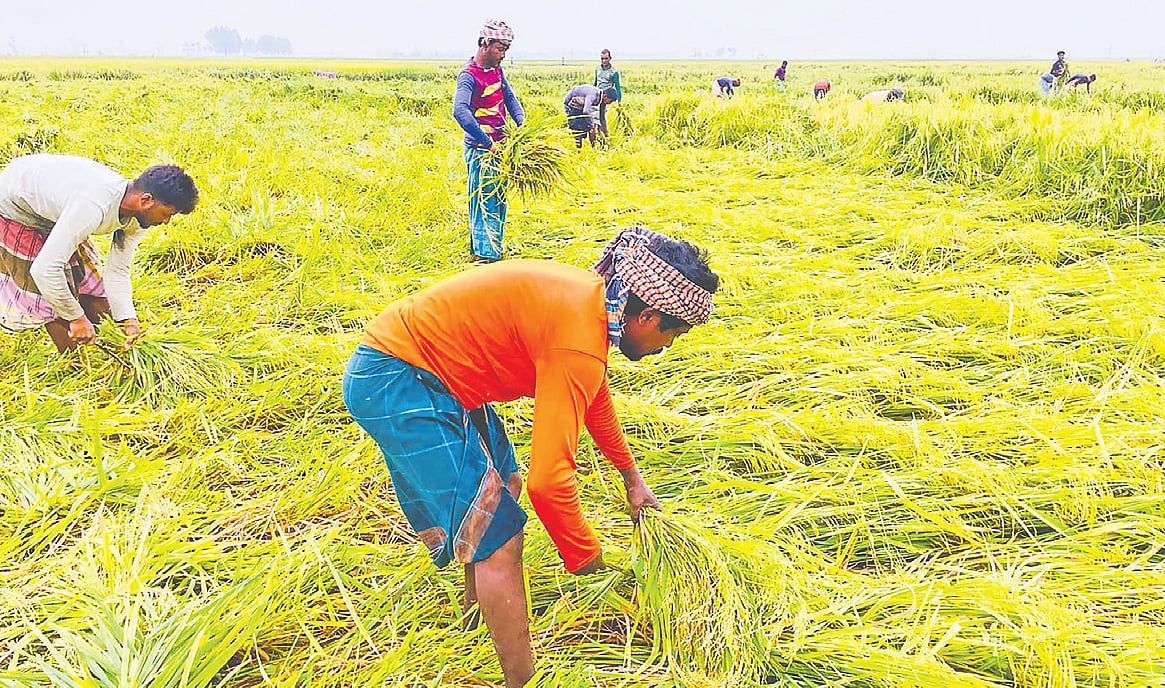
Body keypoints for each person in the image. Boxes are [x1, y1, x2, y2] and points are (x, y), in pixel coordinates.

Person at [342, 226, 719, 688]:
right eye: (674, 332)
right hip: (398, 377)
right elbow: (551, 484)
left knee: (503, 488)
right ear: (646, 315)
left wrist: (631, 476)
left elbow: (592, 393)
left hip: (435, 373)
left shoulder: (593, 305)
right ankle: (520, 681)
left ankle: (474, 612)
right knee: (499, 537)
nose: (669, 346)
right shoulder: (579, 334)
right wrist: (591, 565)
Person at [0, 153, 198, 352]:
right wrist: (75, 318)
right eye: (167, 214)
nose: (166, 222)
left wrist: (128, 320)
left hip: (58, 201)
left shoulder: (139, 216)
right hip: (16, 205)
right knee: (50, 294)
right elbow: (44, 270)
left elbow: (118, 270)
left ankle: (109, 348)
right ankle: (76, 364)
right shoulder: (93, 205)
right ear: (146, 200)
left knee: (89, 281)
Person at [453, 19, 525, 263]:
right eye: (500, 48)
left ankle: (490, 250)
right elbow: (460, 111)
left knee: (498, 200)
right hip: (481, 150)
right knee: (484, 202)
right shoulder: (468, 75)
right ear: (484, 44)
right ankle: (486, 256)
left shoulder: (496, 70)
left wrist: (522, 125)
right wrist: (487, 143)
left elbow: (509, 97)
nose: (503, 54)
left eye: (506, 49)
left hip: (500, 148)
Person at [592, 49, 622, 138]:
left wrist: (619, 101)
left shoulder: (613, 72)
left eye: (606, 58)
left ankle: (605, 136)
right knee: (593, 117)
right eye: (602, 59)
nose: (604, 61)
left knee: (601, 117)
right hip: (596, 96)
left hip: (605, 98)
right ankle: (595, 134)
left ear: (610, 58)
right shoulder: (598, 69)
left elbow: (618, 87)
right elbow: (595, 82)